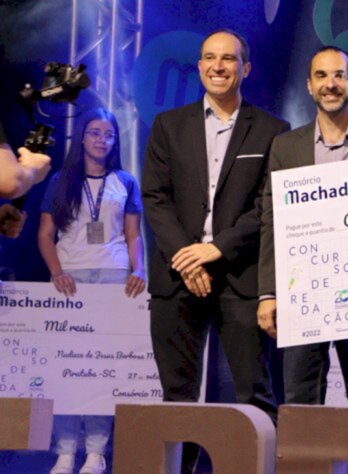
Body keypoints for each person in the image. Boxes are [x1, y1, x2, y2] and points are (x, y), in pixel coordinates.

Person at [142, 29, 288, 472]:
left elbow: (268, 204)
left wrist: (216, 250)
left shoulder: (271, 130)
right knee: (178, 397)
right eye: (209, 58)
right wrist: (188, 255)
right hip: (177, 275)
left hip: (240, 276)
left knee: (253, 392)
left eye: (228, 59)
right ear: (200, 66)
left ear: (246, 67)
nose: (217, 66)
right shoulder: (169, 125)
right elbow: (155, 197)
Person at [257, 47, 348, 474]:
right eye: (321, 76)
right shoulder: (286, 146)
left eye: (339, 75)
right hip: (304, 292)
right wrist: (268, 292)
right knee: (300, 398)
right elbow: (271, 221)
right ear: (309, 85)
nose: (330, 84)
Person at [37, 108, 146, 474]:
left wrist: (138, 269)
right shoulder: (60, 180)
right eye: (95, 133)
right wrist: (56, 272)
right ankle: (65, 451)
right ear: (82, 137)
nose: (102, 139)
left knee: (102, 369)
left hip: (114, 278)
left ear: (115, 141)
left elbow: (133, 234)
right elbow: (44, 234)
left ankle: (96, 451)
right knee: (67, 366)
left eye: (109, 134)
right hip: (70, 278)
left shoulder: (126, 181)